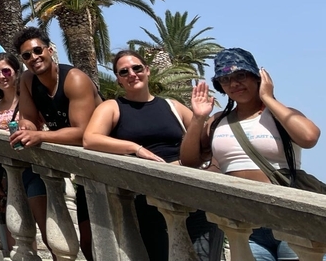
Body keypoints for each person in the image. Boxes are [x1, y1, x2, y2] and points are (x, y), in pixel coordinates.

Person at [181, 48, 321, 261]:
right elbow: (190, 161)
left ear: (258, 77)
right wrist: (199, 119)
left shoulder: (281, 115)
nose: (234, 83)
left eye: (241, 75)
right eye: (226, 79)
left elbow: (309, 137)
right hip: (246, 223)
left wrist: (268, 97)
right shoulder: (218, 121)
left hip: (291, 220)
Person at [84, 50, 214, 261]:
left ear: (147, 71)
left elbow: (204, 138)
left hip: (189, 190)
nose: (132, 74)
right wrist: (135, 148)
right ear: (118, 79)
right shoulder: (113, 107)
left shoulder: (172, 106)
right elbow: (90, 139)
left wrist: (200, 118)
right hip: (148, 197)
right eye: (124, 71)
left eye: (137, 68)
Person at [11, 27, 101, 261]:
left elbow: (84, 133)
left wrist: (40, 136)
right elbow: (29, 118)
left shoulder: (75, 80)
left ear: (50, 50)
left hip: (102, 160)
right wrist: (26, 127)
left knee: (95, 240)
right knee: (87, 242)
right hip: (78, 165)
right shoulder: (29, 81)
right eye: (26, 56)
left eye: (37, 50)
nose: (34, 58)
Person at [0, 52, 51, 257]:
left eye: (6, 71)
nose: (1, 76)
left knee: (47, 232)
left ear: (16, 72)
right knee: (17, 233)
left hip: (32, 170)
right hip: (6, 175)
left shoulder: (29, 101)